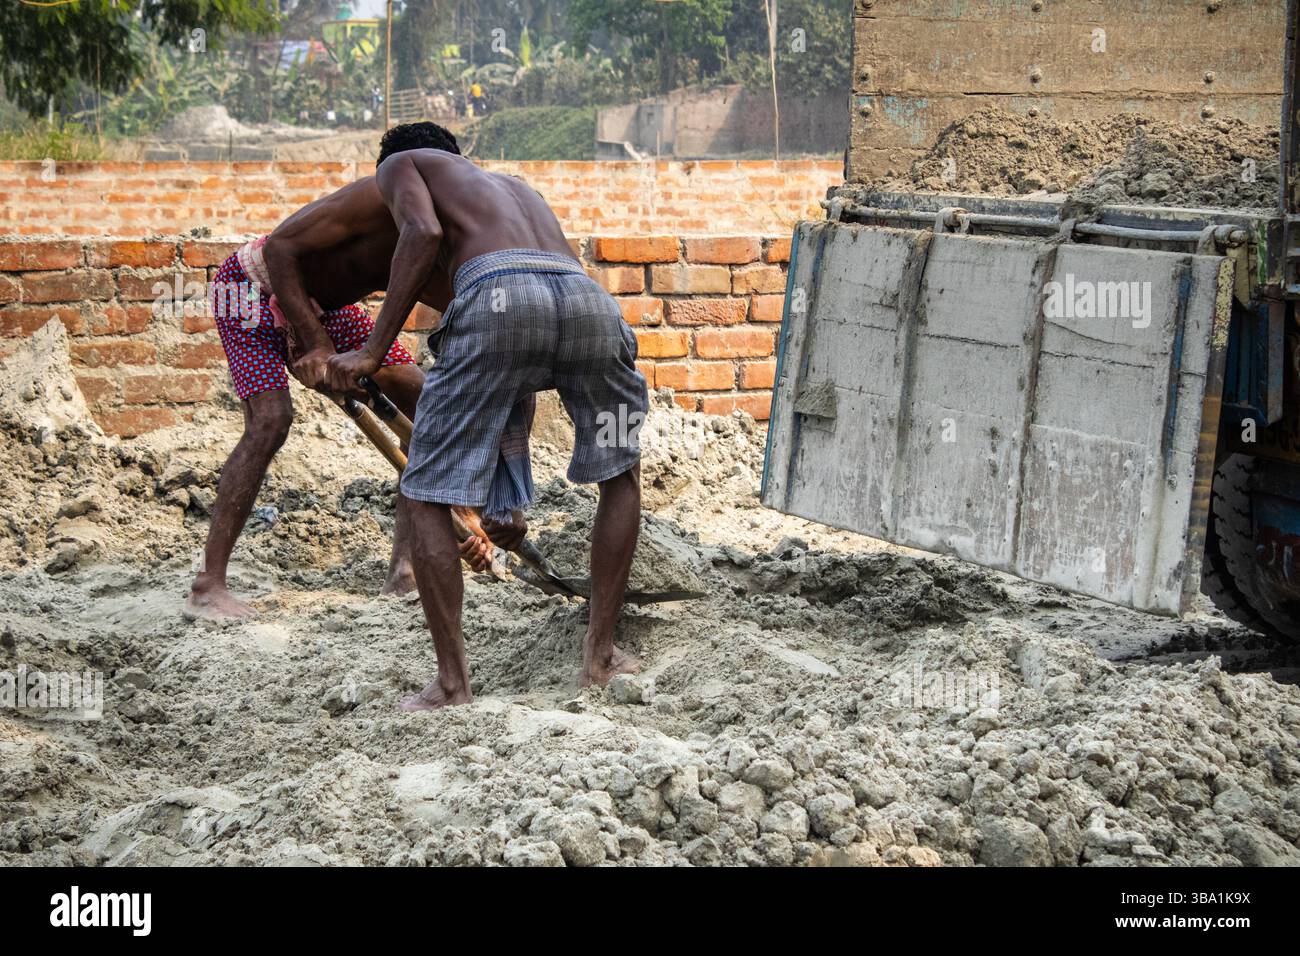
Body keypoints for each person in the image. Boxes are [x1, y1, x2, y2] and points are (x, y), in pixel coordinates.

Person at [324, 122, 648, 707]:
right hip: (589, 306)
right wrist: (506, 502)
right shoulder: (516, 188)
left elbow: (421, 233)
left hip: (500, 300)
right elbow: (517, 364)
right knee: (619, 474)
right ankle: (600, 656)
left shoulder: (401, 164)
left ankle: (452, 685)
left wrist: (373, 349)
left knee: (424, 490)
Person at [185, 124, 496, 620]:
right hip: (249, 285)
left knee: (422, 396)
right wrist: (316, 344)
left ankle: (406, 572)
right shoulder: (370, 200)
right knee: (271, 421)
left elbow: (463, 317)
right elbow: (279, 250)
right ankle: (209, 584)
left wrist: (470, 511)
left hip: (326, 307)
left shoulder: (435, 234)